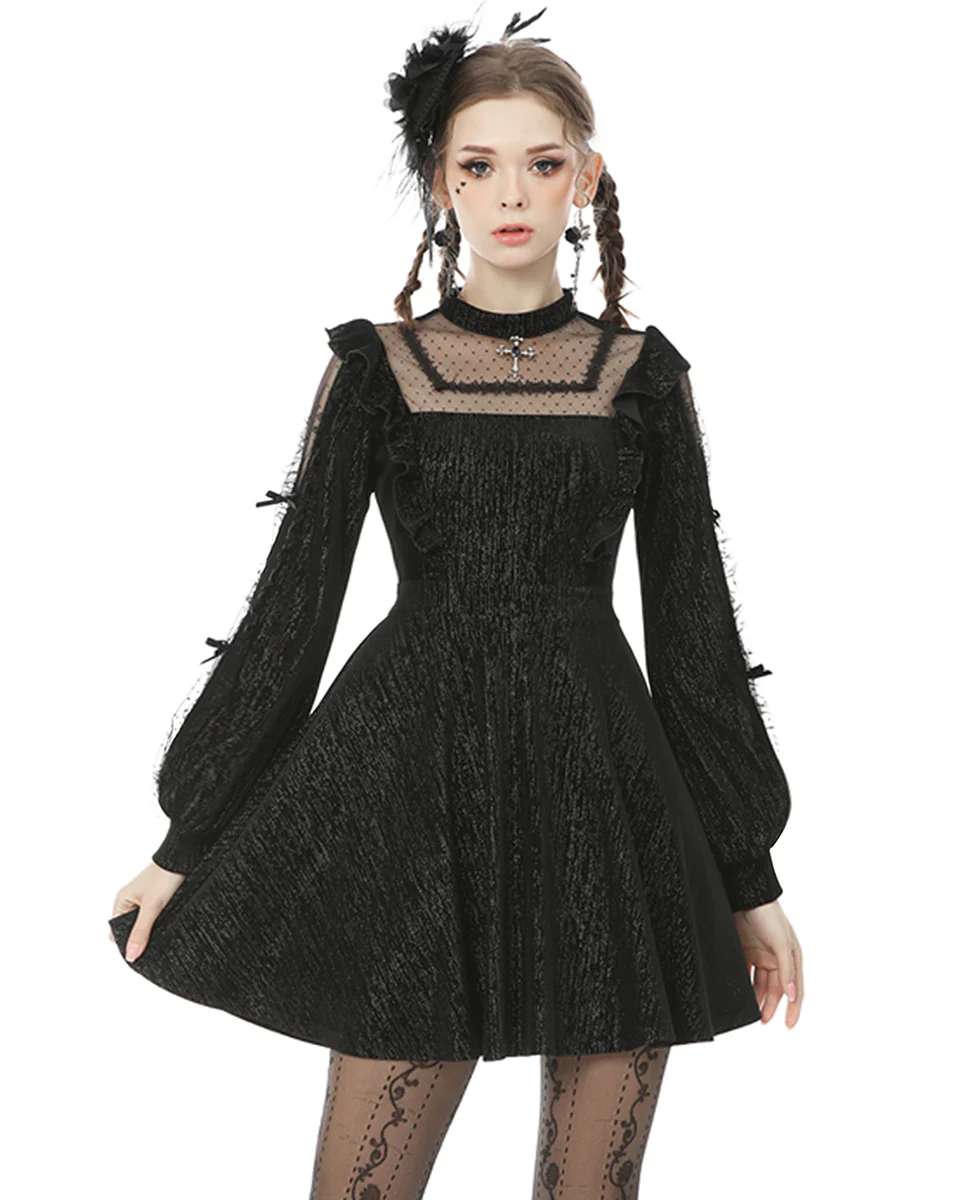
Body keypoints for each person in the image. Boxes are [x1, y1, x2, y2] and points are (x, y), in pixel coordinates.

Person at [108, 9, 804, 1196]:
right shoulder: (376, 371)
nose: (511, 193)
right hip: (411, 799)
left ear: (586, 175)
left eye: (542, 161)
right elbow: (292, 611)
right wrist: (188, 839)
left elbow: (694, 635)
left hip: (605, 804)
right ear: (442, 181)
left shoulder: (644, 379)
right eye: (479, 165)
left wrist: (750, 878)